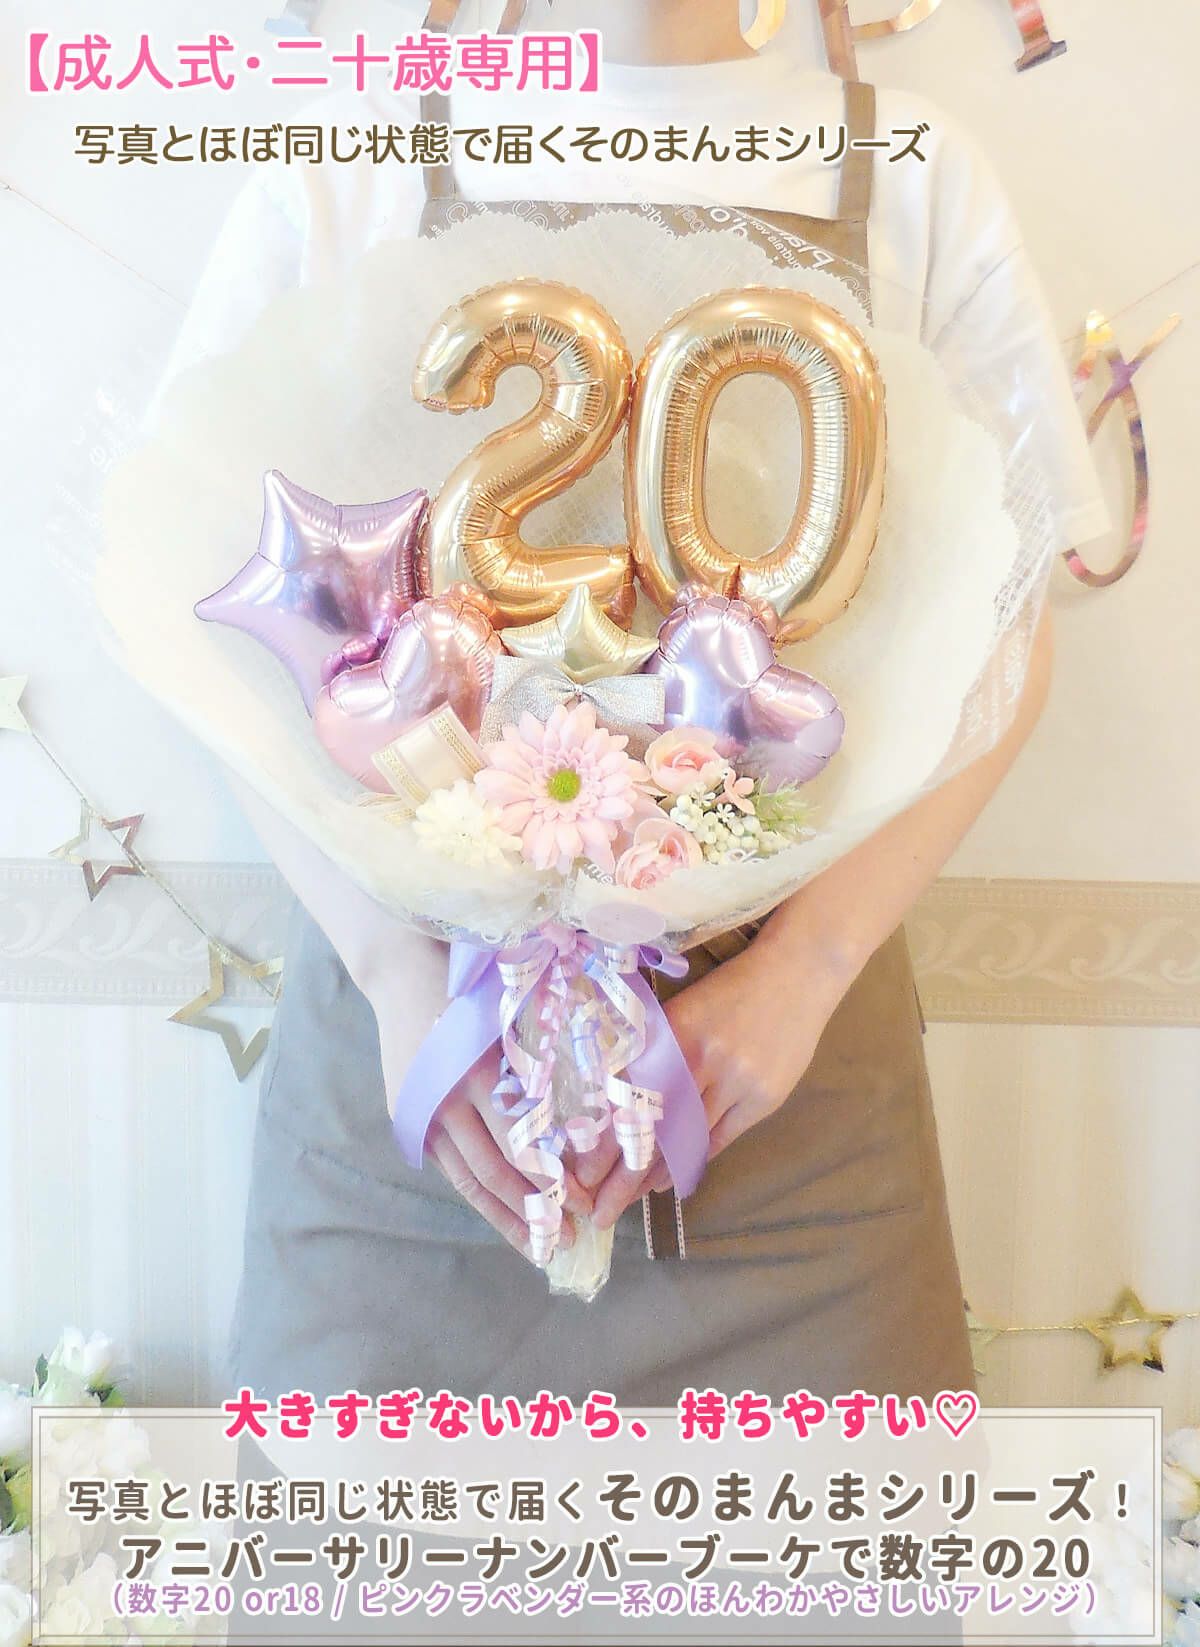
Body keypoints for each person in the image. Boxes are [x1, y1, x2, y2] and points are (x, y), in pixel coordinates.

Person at [165, 0, 1108, 1405]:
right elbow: (202, 630)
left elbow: (1006, 640)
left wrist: (805, 970)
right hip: (422, 1103)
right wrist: (393, 974)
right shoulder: (348, 163)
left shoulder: (913, 173)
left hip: (784, 1112)